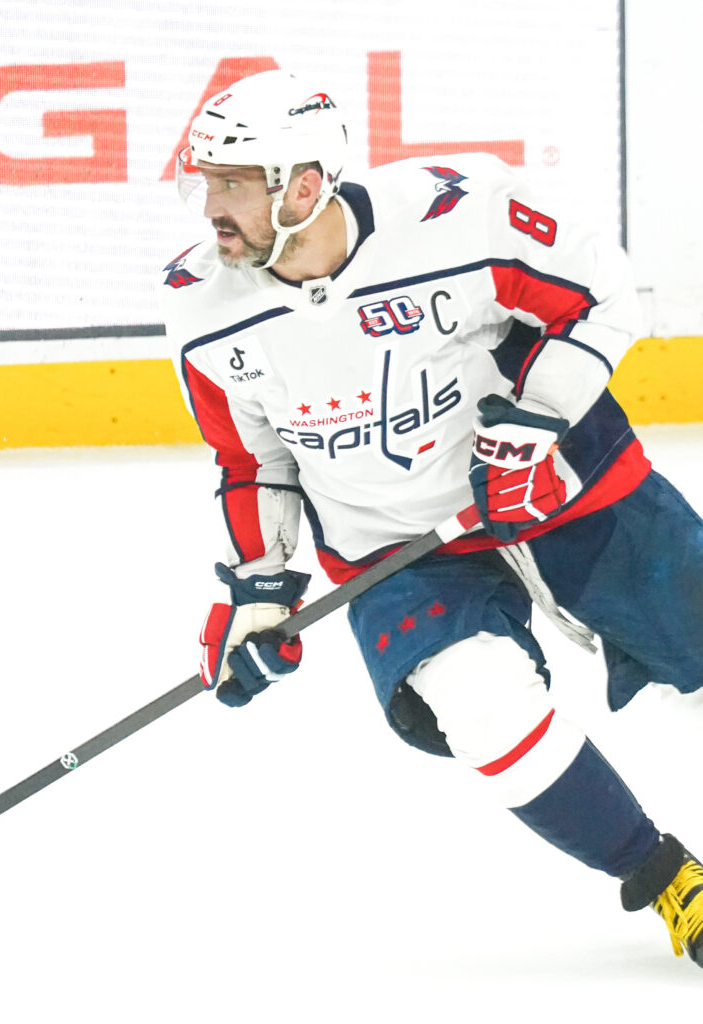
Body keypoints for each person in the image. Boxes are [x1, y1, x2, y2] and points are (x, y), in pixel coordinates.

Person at [162, 69, 703, 966]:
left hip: (554, 487)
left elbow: (602, 295)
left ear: (303, 185)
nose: (211, 207)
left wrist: (539, 423)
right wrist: (259, 590)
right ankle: (668, 880)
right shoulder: (199, 304)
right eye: (205, 181)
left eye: (232, 183)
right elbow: (251, 459)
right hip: (397, 546)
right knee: (479, 710)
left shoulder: (461, 215)